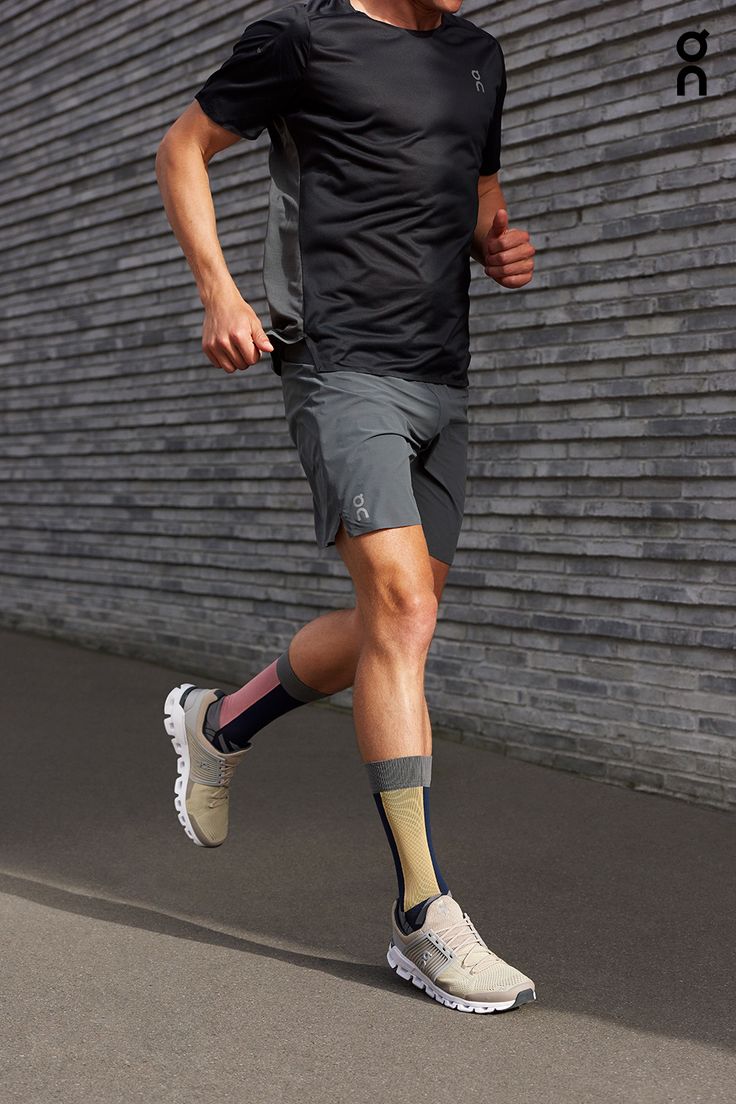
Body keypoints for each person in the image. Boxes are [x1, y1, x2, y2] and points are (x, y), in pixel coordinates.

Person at [155, 0, 537, 1014]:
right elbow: (183, 147)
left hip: (441, 375)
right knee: (404, 612)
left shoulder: (477, 57)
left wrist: (496, 244)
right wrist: (219, 293)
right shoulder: (302, 38)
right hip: (337, 363)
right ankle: (424, 913)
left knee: (390, 625)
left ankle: (221, 724)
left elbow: (477, 194)